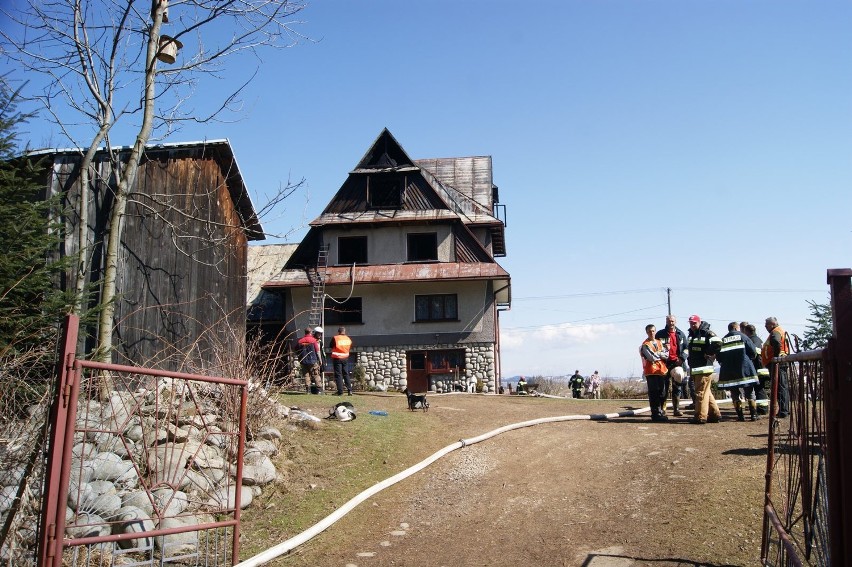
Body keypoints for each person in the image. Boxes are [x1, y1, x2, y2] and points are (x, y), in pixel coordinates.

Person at [717, 322, 761, 421]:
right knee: (750, 392)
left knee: (734, 393)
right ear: (737, 328)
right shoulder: (743, 336)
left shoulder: (723, 340)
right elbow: (753, 351)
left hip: (729, 371)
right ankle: (753, 415)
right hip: (744, 369)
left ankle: (740, 416)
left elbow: (719, 357)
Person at [686, 315, 722, 424]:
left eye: (694, 323)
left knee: (700, 393)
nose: (692, 325)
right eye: (691, 323)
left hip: (704, 368)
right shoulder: (691, 334)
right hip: (696, 368)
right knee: (706, 392)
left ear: (699, 322)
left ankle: (700, 417)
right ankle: (715, 414)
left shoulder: (707, 333)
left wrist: (708, 352)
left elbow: (718, 343)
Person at [655, 315, 689, 417]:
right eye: (669, 321)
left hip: (677, 363)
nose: (671, 323)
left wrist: (682, 358)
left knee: (677, 385)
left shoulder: (681, 334)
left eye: (673, 321)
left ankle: (676, 409)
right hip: (664, 364)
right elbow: (655, 348)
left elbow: (686, 348)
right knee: (663, 388)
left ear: (676, 322)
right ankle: (663, 409)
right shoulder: (660, 334)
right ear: (666, 321)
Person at [762, 316, 790, 418]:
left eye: (767, 325)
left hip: (778, 363)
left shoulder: (775, 332)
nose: (765, 327)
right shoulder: (777, 331)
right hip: (778, 362)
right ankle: (784, 409)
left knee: (780, 387)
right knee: (781, 386)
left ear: (772, 324)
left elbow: (776, 343)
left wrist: (775, 357)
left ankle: (783, 411)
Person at [640, 324, 669, 422]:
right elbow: (651, 357)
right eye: (649, 331)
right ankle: (655, 413)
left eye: (653, 331)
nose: (651, 333)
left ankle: (660, 411)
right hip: (651, 372)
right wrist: (660, 354)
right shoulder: (645, 345)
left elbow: (667, 354)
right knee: (654, 393)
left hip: (660, 371)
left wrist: (659, 354)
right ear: (646, 332)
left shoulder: (659, 342)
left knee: (662, 392)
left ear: (655, 331)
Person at [741, 322, 769, 414]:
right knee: (760, 389)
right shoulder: (759, 340)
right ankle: (762, 408)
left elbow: (753, 354)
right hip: (762, 367)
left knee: (759, 389)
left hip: (758, 368)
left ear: (747, 331)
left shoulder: (751, 340)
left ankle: (762, 409)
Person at [297, 327, 321, 394]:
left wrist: (299, 358)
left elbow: (297, 350)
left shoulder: (300, 341)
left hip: (303, 361)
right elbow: (317, 351)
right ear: (311, 332)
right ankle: (319, 390)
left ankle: (308, 390)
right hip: (313, 361)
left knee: (306, 375)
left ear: (305, 332)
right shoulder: (313, 340)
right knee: (316, 374)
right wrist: (320, 360)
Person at [330, 326, 353, 396]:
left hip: (337, 358)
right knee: (346, 374)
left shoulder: (335, 338)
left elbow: (331, 345)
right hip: (345, 358)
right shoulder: (348, 339)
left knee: (338, 375)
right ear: (344, 332)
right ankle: (350, 390)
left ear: (338, 332)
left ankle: (340, 391)